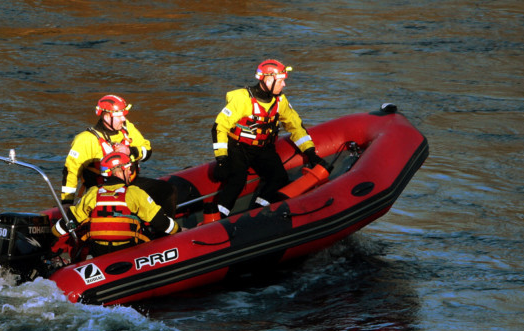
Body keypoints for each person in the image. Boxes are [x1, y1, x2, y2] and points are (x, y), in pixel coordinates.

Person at [210, 59, 332, 217]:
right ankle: (217, 219)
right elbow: (219, 127)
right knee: (237, 181)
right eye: (281, 81)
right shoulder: (242, 100)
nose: (284, 85)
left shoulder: (280, 101)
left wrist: (310, 153)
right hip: (239, 147)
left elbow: (295, 126)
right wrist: (221, 160)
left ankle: (256, 212)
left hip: (263, 148)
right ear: (268, 80)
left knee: (279, 178)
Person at [61, 94, 177, 218]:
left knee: (167, 190)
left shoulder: (127, 127)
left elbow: (147, 150)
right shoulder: (85, 140)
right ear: (106, 116)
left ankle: (164, 231)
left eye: (124, 114)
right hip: (102, 191)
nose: (123, 118)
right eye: (119, 116)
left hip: (130, 185)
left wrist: (130, 151)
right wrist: (67, 202)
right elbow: (71, 171)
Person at [53, 152, 180, 257]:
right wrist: (179, 231)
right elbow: (161, 222)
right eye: (129, 169)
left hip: (98, 251)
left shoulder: (93, 193)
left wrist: (51, 235)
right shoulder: (134, 193)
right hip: (128, 249)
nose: (131, 173)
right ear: (119, 171)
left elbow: (70, 221)